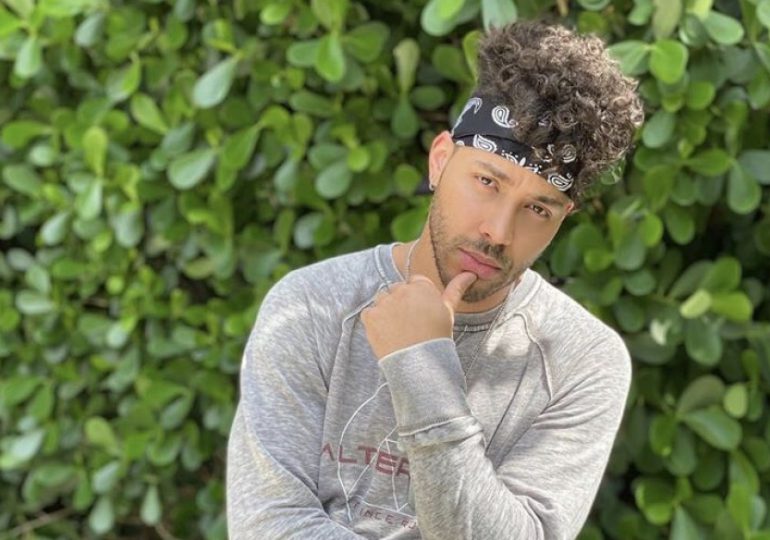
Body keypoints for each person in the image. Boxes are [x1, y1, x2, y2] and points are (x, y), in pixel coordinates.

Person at [226, 20, 644, 540]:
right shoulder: (311, 307)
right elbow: (268, 524)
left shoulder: (582, 361)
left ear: (563, 218)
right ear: (441, 160)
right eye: (487, 181)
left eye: (538, 208)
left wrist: (421, 370)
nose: (498, 231)